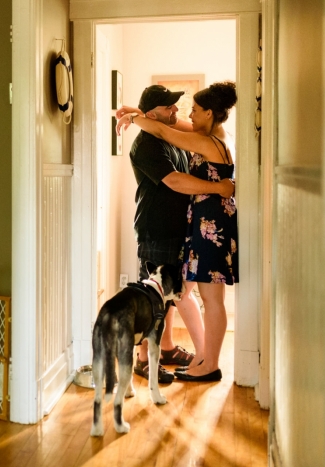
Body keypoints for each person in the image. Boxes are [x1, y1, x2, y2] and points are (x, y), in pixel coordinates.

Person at [116, 81, 239, 382]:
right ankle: (157, 356)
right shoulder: (199, 136)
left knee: (196, 297)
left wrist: (136, 116)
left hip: (208, 229)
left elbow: (165, 127)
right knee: (173, 293)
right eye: (170, 105)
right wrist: (137, 114)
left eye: (194, 110)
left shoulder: (206, 139)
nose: (184, 113)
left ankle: (206, 361)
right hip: (178, 229)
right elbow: (171, 169)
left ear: (210, 113)